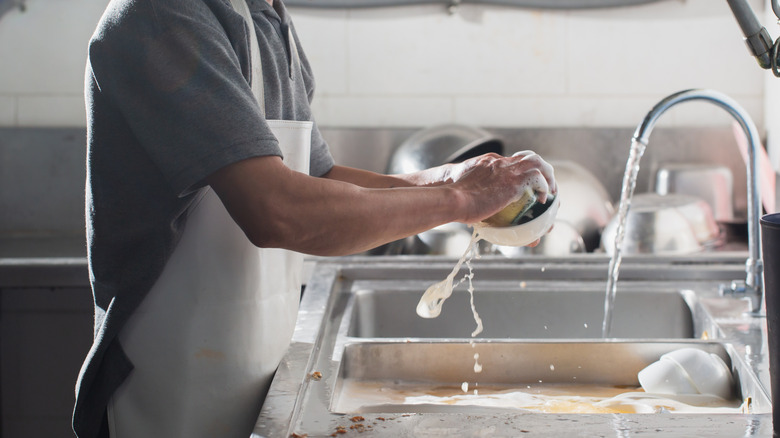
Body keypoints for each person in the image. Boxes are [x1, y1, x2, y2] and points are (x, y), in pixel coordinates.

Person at [72, 0, 557, 437]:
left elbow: (320, 179)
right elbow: (278, 212)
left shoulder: (266, 17)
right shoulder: (165, 16)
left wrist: (456, 178)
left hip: (256, 376)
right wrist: (460, 201)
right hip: (169, 391)